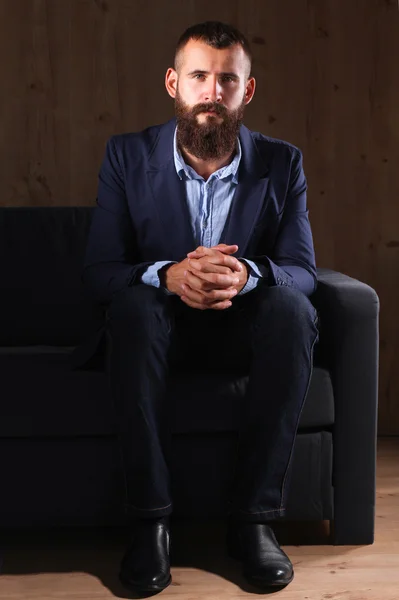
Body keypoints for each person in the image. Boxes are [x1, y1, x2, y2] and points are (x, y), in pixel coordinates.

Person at [81, 20, 319, 595]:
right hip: (159, 329)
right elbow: (99, 272)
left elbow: (303, 272)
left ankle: (254, 523)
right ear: (174, 84)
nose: (213, 93)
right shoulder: (126, 156)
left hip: (243, 329)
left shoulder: (282, 163)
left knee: (292, 312)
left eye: (227, 81)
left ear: (247, 90)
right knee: (134, 310)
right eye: (199, 78)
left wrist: (249, 273)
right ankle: (151, 522)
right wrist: (168, 274)